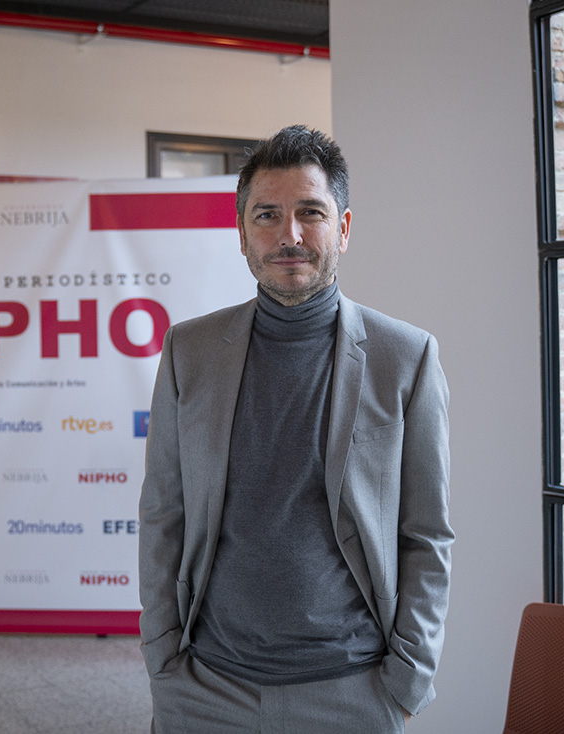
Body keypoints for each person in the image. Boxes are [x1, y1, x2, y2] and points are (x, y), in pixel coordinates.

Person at [137, 125, 453, 733]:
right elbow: (163, 513)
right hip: (204, 691)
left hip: (352, 692)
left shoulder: (405, 358)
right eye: (267, 215)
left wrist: (408, 678)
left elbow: (426, 532)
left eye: (311, 212)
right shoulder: (188, 351)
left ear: (344, 228)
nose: (290, 235)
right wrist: (162, 657)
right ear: (241, 234)